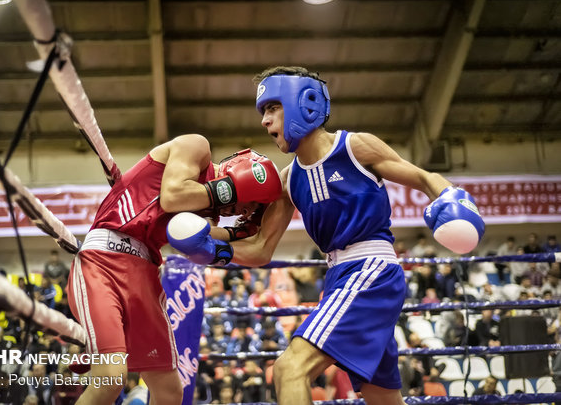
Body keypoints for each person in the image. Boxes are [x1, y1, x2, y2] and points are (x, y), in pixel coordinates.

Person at [167, 66, 485, 405]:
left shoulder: (355, 147)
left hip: (371, 271)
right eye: (263, 112)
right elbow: (260, 247)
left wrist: (452, 198)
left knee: (290, 369)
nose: (264, 120)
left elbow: (424, 177)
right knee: (382, 398)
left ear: (304, 102)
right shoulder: (288, 181)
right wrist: (205, 242)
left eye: (272, 108)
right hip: (338, 277)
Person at [67, 134, 282, 405]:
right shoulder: (197, 146)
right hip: (104, 260)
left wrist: (236, 232)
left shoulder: (205, 213)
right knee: (111, 378)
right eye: (247, 203)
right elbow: (171, 197)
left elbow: (196, 237)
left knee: (170, 392)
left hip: (144, 273)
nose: (239, 210)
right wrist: (229, 191)